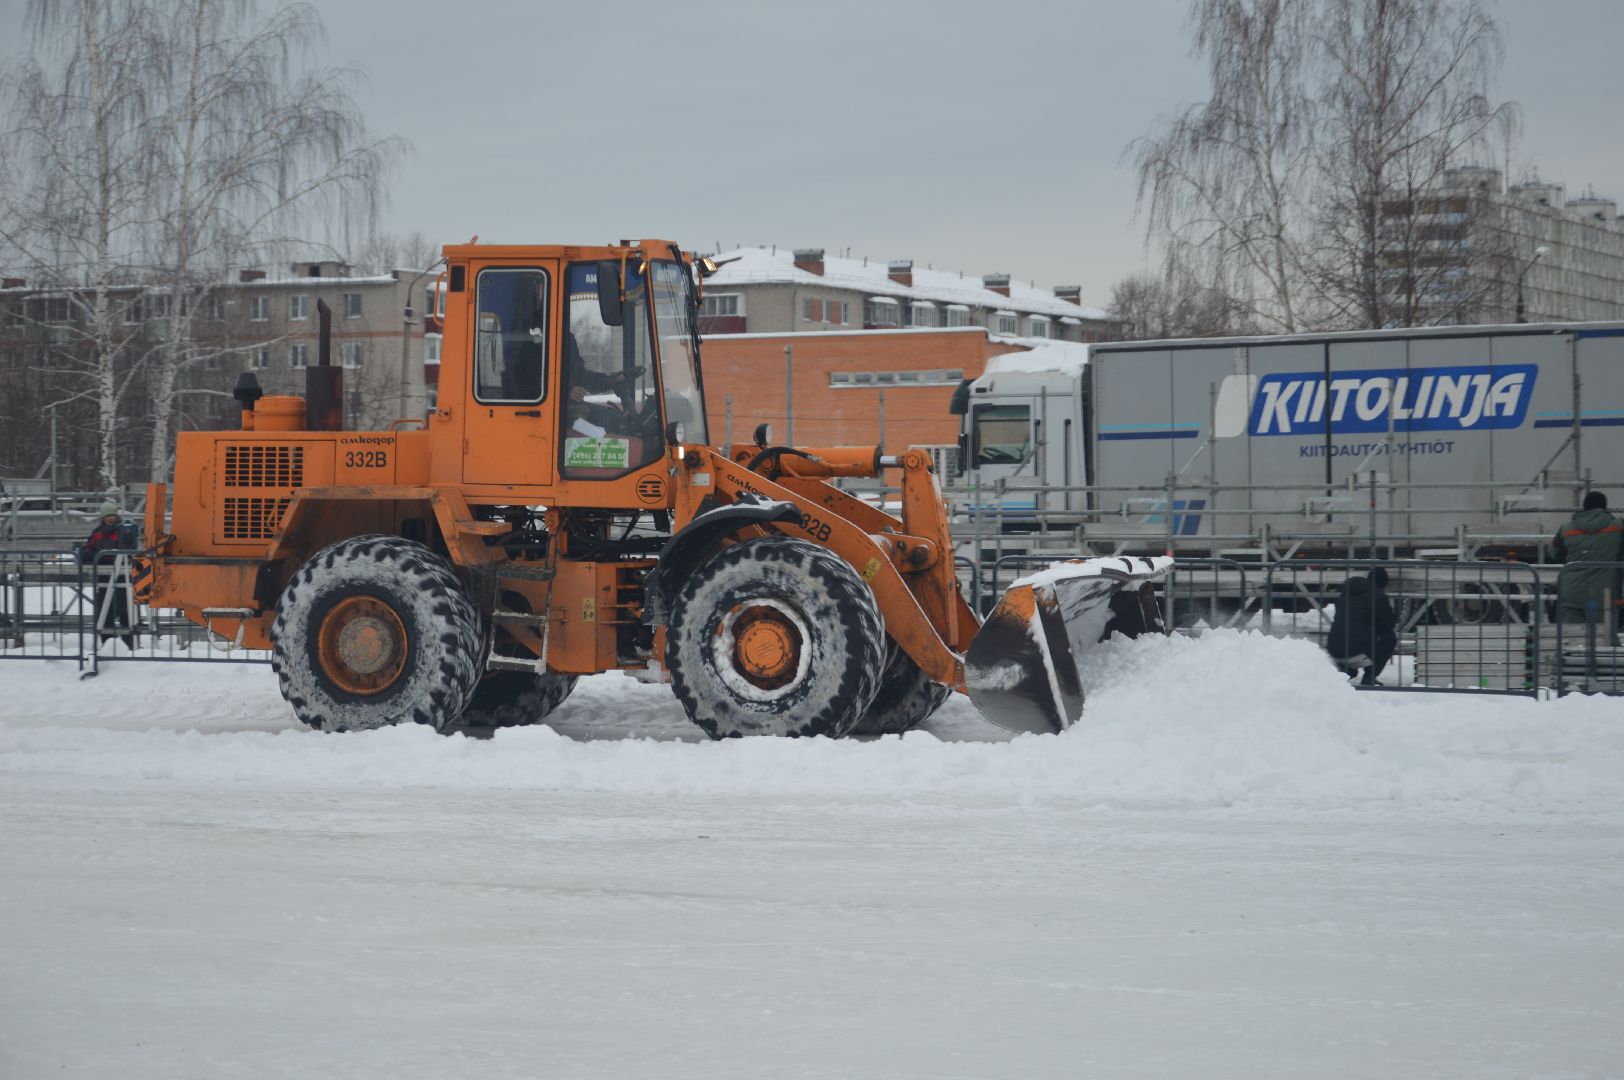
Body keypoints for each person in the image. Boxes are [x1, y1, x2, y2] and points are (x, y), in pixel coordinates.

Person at [1553, 491, 1623, 636]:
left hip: (1572, 596)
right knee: (1603, 644)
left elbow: (1555, 555)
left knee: (1573, 644)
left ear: (1584, 507)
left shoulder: (1566, 529)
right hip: (1604, 596)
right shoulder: (1618, 527)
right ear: (1605, 507)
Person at [77, 501, 136, 650]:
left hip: (122, 578)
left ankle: (127, 646)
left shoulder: (123, 532)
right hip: (102, 579)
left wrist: (100, 555)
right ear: (103, 517)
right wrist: (91, 555)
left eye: (113, 515)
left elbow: (125, 551)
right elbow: (87, 550)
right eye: (108, 515)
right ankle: (106, 645)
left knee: (125, 611)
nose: (111, 518)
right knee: (103, 610)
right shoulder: (97, 533)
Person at [1326, 567, 1397, 685]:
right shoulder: (1378, 597)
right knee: (1389, 638)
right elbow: (1388, 625)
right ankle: (1369, 677)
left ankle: (1345, 672)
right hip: (1356, 651)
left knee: (1355, 631)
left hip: (1334, 649)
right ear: (1383, 585)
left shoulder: (1345, 594)